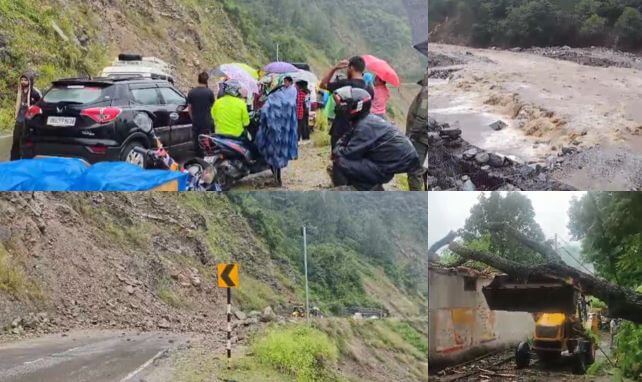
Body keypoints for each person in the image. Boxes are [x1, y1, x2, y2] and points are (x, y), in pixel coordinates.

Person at [331, 86, 420, 191]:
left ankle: (361, 191)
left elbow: (347, 154)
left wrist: (337, 149)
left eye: (343, 104)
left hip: (386, 168)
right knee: (346, 160)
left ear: (356, 107)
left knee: (341, 161)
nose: (340, 107)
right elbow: (346, 138)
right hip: (387, 162)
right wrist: (340, 147)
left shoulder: (364, 126)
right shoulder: (366, 120)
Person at [320, 56, 374, 149]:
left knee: (338, 159)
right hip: (359, 131)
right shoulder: (369, 89)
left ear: (351, 68)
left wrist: (335, 68)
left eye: (347, 68)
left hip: (341, 130)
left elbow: (323, 84)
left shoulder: (344, 84)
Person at [255, 74, 299, 186]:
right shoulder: (290, 97)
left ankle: (276, 179)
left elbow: (264, 113)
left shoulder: (273, 98)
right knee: (279, 154)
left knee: (271, 154)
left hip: (273, 131)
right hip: (284, 132)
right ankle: (277, 179)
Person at [406, 70, 429, 191]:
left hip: (420, 140)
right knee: (423, 171)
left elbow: (422, 117)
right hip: (423, 138)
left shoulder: (426, 92)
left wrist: (411, 135)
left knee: (414, 171)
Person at [11, 72, 41, 160]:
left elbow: (40, 106)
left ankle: (26, 162)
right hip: (19, 120)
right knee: (16, 141)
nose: (23, 82)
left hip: (29, 121)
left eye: (25, 80)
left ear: (30, 81)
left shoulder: (35, 93)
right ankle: (14, 161)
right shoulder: (20, 91)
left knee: (26, 142)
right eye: (22, 80)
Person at [186, 71, 215, 156]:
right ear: (206, 81)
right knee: (206, 142)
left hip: (196, 122)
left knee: (196, 142)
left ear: (198, 80)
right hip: (206, 122)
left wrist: (193, 118)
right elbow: (213, 108)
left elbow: (189, 108)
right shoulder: (209, 92)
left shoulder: (191, 92)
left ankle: (197, 159)